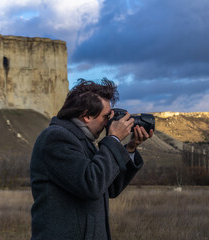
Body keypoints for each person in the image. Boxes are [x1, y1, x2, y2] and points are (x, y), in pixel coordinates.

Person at [30, 78, 153, 240]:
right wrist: (114, 139)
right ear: (86, 116)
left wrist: (130, 148)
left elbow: (109, 187)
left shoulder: (82, 141)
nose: (108, 122)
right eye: (106, 116)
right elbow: (91, 184)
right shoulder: (56, 138)